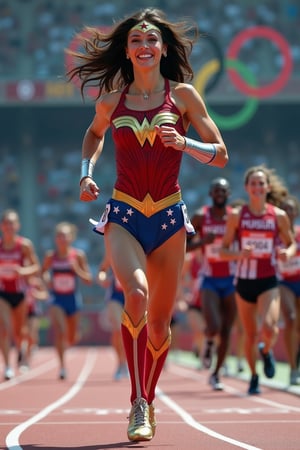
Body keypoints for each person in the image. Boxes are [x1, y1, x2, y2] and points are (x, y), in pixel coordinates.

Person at [67, 7, 228, 441]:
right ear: (127, 49)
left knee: (159, 325)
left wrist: (186, 142)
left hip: (169, 218)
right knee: (135, 293)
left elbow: (221, 152)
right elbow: (94, 135)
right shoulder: (111, 99)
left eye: (151, 40)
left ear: (162, 49)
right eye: (136, 40)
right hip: (123, 213)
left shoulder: (185, 97)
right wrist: (86, 171)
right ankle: (137, 404)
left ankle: (149, 400)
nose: (144, 46)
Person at [220, 165, 296, 395]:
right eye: (253, 183)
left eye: (261, 183)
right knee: (250, 334)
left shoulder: (278, 216)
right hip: (244, 281)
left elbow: (291, 244)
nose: (257, 187)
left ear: (267, 187)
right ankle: (254, 377)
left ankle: (266, 350)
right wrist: (239, 254)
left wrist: (287, 253)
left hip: (269, 279)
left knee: (270, 327)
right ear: (246, 188)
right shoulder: (236, 216)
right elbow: (223, 251)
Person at [186, 177, 237, 391]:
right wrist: (203, 242)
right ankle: (207, 342)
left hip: (232, 278)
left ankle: (216, 373)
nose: (219, 194)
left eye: (223, 191)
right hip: (209, 278)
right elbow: (185, 246)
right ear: (210, 193)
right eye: (216, 190)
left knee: (226, 330)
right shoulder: (200, 216)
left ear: (228, 194)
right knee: (214, 325)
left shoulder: (235, 217)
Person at [42, 222, 93, 380]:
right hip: (57, 298)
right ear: (56, 239)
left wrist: (77, 269)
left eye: (65, 235)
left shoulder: (78, 255)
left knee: (70, 337)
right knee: (60, 331)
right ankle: (62, 367)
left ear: (71, 237)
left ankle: (71, 337)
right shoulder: (51, 256)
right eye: (59, 236)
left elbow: (88, 279)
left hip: (72, 299)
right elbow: (42, 273)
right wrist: (47, 280)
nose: (62, 239)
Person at [0, 209, 40, 380]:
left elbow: (36, 267)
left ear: (17, 226)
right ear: (2, 226)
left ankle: (21, 352)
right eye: (6, 223)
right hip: (3, 293)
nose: (9, 227)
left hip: (20, 294)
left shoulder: (24, 245)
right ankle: (8, 366)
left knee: (19, 331)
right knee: (4, 329)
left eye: (12, 223)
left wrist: (22, 271)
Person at [277, 195, 300, 385]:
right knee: (290, 318)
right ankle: (293, 369)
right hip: (283, 282)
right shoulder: (275, 235)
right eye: (284, 209)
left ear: (296, 213)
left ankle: (296, 360)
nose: (288, 213)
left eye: (291, 209)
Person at [97, 254, 128, 381]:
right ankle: (120, 363)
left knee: (131, 332)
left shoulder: (141, 248)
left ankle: (127, 362)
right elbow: (102, 270)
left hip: (134, 295)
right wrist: (102, 278)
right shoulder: (114, 252)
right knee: (119, 329)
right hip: (115, 296)